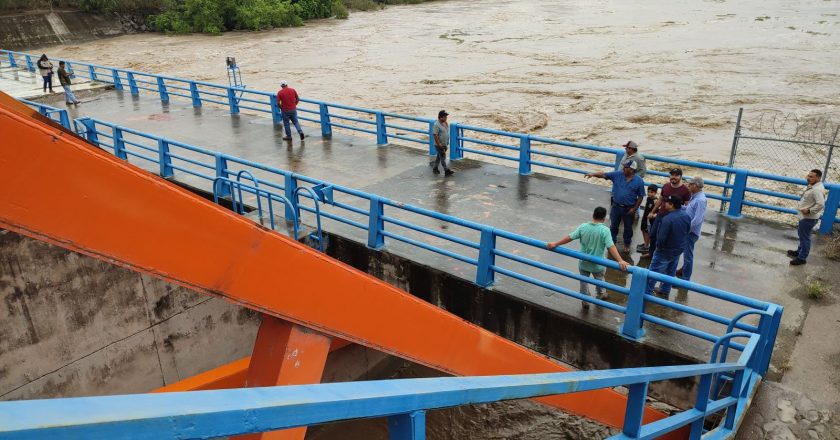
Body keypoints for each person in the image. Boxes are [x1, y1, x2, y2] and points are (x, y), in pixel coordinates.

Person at [547, 206, 629, 308]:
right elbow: (610, 246)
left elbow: (570, 237)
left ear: (593, 215)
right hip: (598, 264)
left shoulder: (583, 227)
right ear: (604, 218)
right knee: (599, 280)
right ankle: (601, 295)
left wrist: (555, 243)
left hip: (583, 263)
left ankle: (585, 300)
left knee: (584, 282)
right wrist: (620, 260)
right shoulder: (605, 230)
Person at [585, 160, 645, 251]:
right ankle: (611, 243)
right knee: (613, 226)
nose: (624, 168)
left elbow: (641, 196)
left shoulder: (639, 181)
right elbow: (604, 175)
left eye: (626, 167)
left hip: (629, 209)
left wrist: (634, 209)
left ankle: (627, 244)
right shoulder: (617, 174)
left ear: (632, 169)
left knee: (628, 228)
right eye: (624, 167)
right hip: (616, 207)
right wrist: (592, 174)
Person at [646, 195, 691, 296]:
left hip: (664, 250)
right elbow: (688, 230)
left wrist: (658, 247)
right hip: (678, 249)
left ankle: (647, 292)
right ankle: (665, 290)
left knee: (653, 273)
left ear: (671, 205)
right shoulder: (686, 216)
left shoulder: (667, 219)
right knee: (671, 271)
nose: (663, 203)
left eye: (666, 202)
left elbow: (661, 238)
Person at [641, 168, 691, 258]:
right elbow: (660, 199)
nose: (673, 177)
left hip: (673, 219)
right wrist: (652, 211)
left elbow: (687, 206)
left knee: (668, 239)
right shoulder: (666, 186)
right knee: (653, 235)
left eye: (676, 175)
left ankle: (661, 256)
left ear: (681, 177)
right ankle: (651, 253)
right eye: (672, 175)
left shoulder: (685, 190)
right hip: (660, 215)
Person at [788, 169, 826, 266]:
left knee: (805, 238)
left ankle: (802, 258)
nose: (808, 178)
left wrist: (809, 211)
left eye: (811, 177)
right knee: (803, 236)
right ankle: (799, 252)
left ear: (818, 178)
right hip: (806, 217)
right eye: (808, 176)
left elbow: (821, 204)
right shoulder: (814, 186)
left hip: (808, 218)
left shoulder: (817, 189)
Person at [677, 177, 706, 280]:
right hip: (688, 230)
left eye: (690, 184)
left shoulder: (700, 200)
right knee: (685, 253)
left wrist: (687, 228)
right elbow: (689, 208)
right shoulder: (694, 197)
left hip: (691, 232)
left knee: (688, 256)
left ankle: (685, 278)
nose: (688, 186)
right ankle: (683, 271)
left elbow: (698, 219)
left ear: (696, 186)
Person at [636, 184, 659, 254]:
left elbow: (658, 211)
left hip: (650, 220)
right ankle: (645, 243)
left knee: (647, 231)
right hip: (645, 217)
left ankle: (646, 246)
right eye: (648, 192)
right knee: (643, 229)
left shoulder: (656, 201)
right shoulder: (648, 198)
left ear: (655, 192)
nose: (649, 193)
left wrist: (653, 215)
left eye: (652, 192)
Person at [432, 110, 454, 176]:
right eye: (445, 117)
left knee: (439, 157)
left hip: (444, 144)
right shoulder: (436, 125)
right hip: (439, 145)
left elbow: (446, 132)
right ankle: (446, 170)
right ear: (440, 117)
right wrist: (439, 144)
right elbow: (435, 135)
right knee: (443, 158)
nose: (446, 118)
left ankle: (435, 168)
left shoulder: (445, 123)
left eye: (446, 117)